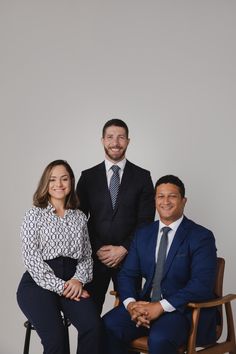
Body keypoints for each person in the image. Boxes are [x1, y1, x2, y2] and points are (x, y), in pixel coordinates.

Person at [102, 175, 217, 354]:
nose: (166, 201)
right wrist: (132, 305)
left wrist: (161, 306)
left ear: (183, 200)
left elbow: (201, 285)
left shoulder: (201, 237)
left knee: (160, 339)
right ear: (155, 200)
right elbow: (127, 274)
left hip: (182, 311)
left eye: (172, 196)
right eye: (160, 196)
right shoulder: (143, 234)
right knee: (107, 325)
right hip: (144, 306)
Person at [17, 159, 102, 354]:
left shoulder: (79, 216)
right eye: (53, 179)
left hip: (72, 281)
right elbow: (31, 258)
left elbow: (86, 256)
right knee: (56, 338)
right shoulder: (34, 215)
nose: (59, 184)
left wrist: (78, 280)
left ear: (71, 182)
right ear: (45, 183)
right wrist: (61, 287)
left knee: (93, 327)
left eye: (64, 179)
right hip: (38, 283)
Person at [76, 119, 155, 314]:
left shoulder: (143, 177)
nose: (115, 142)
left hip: (128, 259)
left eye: (120, 137)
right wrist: (97, 249)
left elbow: (145, 222)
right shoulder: (88, 177)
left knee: (130, 315)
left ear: (128, 141)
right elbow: (77, 220)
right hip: (94, 259)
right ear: (102, 140)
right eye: (110, 137)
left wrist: (123, 249)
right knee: (89, 317)